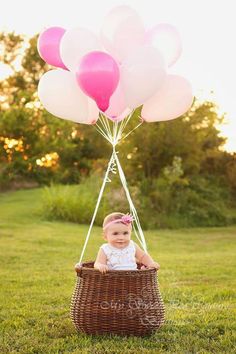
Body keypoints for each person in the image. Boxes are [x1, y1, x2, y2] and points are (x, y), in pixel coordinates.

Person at [75, 212, 160, 274]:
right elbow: (98, 263)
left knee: (143, 272)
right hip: (114, 278)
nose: (121, 237)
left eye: (125, 233)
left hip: (133, 276)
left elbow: (142, 256)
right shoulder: (105, 249)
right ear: (105, 236)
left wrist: (150, 263)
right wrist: (100, 266)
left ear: (130, 233)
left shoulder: (132, 245)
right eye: (115, 234)